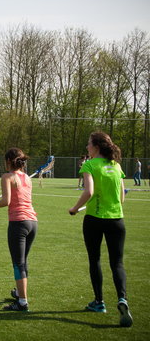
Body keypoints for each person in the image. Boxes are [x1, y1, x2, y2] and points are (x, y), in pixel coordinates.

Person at [69, 131, 133, 327]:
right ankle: (122, 299)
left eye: (89, 144)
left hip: (95, 220)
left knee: (95, 259)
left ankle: (99, 302)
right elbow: (121, 198)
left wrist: (74, 208)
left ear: (96, 146)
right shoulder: (117, 166)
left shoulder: (89, 164)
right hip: (117, 220)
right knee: (117, 263)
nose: (87, 147)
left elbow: (88, 191)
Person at [0, 148, 37, 312]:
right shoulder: (27, 178)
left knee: (18, 263)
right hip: (32, 222)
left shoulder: (7, 177)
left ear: (8, 161)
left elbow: (6, 201)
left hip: (18, 223)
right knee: (23, 261)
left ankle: (22, 301)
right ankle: (20, 293)